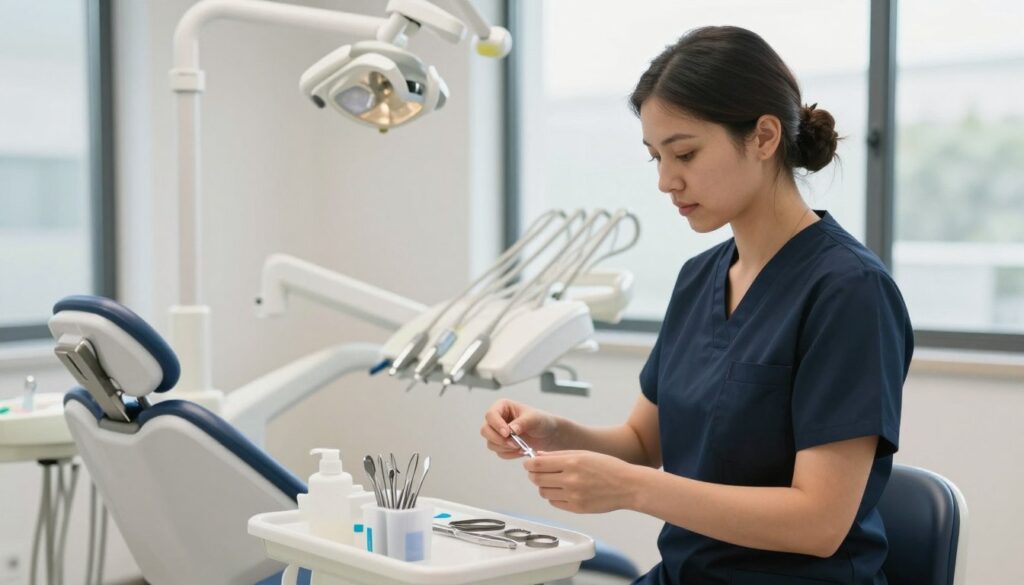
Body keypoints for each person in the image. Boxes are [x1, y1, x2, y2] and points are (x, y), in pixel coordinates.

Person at [480, 26, 913, 585]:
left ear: (763, 137)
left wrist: (632, 490)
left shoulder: (849, 292)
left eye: (684, 152)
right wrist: (553, 432)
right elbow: (641, 443)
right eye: (655, 157)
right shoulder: (698, 279)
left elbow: (819, 521)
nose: (665, 180)